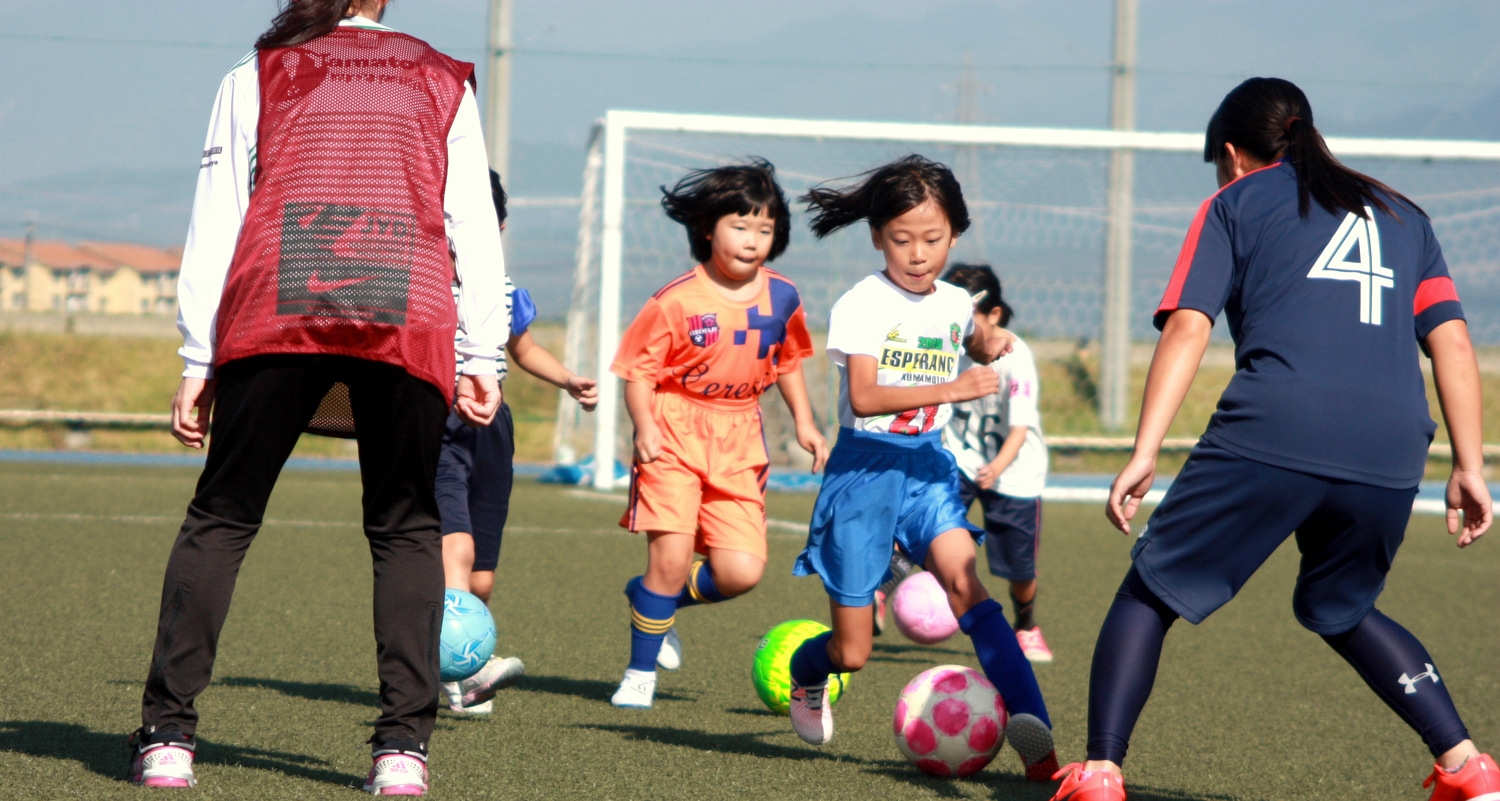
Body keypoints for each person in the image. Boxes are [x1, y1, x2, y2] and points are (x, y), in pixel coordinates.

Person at [1051, 78, 1496, 801]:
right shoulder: (1404, 215)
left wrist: (1144, 451)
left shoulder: (1233, 202)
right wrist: (1470, 463)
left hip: (1277, 424)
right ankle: (1468, 767)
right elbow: (1450, 338)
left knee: (1149, 590)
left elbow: (1190, 325)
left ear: (1231, 154)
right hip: (1392, 445)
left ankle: (1100, 772)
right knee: (1342, 606)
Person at [130, 1, 508, 795]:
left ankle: (169, 734)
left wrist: (198, 355)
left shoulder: (256, 70)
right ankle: (402, 747)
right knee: (407, 525)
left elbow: (221, 213)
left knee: (223, 514)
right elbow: (471, 219)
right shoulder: (442, 75)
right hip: (406, 307)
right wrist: (484, 351)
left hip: (281, 300)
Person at [785, 155, 1059, 783]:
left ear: (954, 235)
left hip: (929, 472)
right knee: (852, 650)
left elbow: (964, 335)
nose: (917, 253)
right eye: (901, 239)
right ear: (878, 236)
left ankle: (1040, 752)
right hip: (864, 474)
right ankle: (807, 675)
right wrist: (955, 388)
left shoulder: (958, 301)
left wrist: (985, 343)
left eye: (932, 240)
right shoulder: (863, 304)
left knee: (970, 588)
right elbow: (864, 398)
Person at [609, 159, 828, 709]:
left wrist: (805, 420)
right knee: (672, 557)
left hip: (740, 436)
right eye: (740, 226)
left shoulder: (783, 297)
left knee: (740, 572)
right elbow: (638, 373)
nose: (753, 240)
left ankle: (652, 602)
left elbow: (789, 361)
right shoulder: (676, 300)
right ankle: (639, 675)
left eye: (765, 229)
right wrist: (644, 427)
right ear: (708, 227)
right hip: (675, 428)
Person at [437, 170, 599, 716]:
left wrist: (568, 378)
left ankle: (461, 673)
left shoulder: (502, 290)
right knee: (453, 550)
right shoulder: (417, 286)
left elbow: (525, 351)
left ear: (497, 227)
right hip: (438, 429)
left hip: (492, 433)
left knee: (481, 575)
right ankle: (459, 673)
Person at [940, 263, 1052, 663]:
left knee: (1019, 570)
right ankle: (878, 599)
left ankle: (1026, 625)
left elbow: (1019, 427)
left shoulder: (1015, 358)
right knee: (920, 523)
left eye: (966, 318)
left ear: (994, 316)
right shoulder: (945, 347)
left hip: (1013, 471)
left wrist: (999, 467)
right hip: (961, 459)